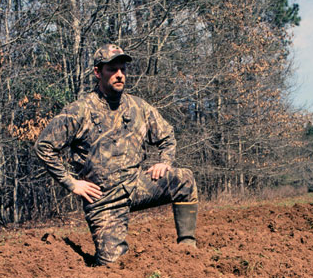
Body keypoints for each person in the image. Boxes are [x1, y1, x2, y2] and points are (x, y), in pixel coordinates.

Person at [35, 44, 198, 265]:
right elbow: (44, 146)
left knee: (184, 179)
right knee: (113, 265)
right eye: (112, 69)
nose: (119, 75)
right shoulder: (79, 110)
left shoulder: (137, 107)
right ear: (97, 72)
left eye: (122, 69)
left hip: (136, 186)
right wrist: (72, 184)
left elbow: (167, 135)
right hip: (104, 200)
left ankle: (188, 251)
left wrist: (164, 162)